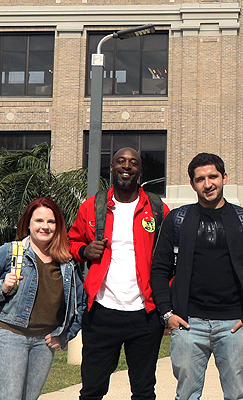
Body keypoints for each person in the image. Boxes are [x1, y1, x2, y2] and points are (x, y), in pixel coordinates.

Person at [149, 153, 243, 400]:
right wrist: (168, 314)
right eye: (200, 179)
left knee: (237, 396)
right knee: (186, 396)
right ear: (192, 184)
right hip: (189, 324)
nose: (208, 184)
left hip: (234, 323)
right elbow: (159, 268)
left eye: (213, 176)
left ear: (224, 178)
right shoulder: (178, 219)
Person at [69, 147, 170, 400]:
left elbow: (169, 258)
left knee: (144, 390)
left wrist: (164, 299)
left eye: (133, 162)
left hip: (145, 315)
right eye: (120, 162)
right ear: (111, 168)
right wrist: (84, 250)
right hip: (101, 312)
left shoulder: (157, 208)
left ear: (140, 170)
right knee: (92, 389)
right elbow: (69, 243)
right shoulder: (92, 206)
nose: (127, 166)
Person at [0, 197, 87, 400]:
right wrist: (1, 287)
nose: (45, 226)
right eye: (39, 221)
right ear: (28, 223)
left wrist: (66, 334)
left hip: (44, 342)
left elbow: (80, 304)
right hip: (9, 336)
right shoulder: (10, 252)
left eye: (51, 221)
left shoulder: (67, 262)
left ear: (58, 226)